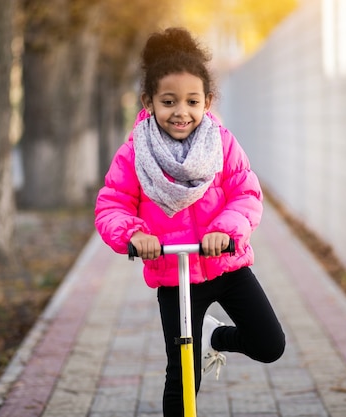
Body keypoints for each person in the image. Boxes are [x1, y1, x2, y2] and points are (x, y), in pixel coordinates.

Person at [94, 27, 286, 416]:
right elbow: (112, 204)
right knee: (183, 374)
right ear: (148, 101)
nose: (181, 111)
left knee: (269, 343)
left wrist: (226, 231)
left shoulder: (222, 142)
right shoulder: (135, 151)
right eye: (168, 101)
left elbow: (246, 194)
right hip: (174, 275)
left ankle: (216, 335)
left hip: (225, 266)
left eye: (191, 101)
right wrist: (134, 234)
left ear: (208, 101)